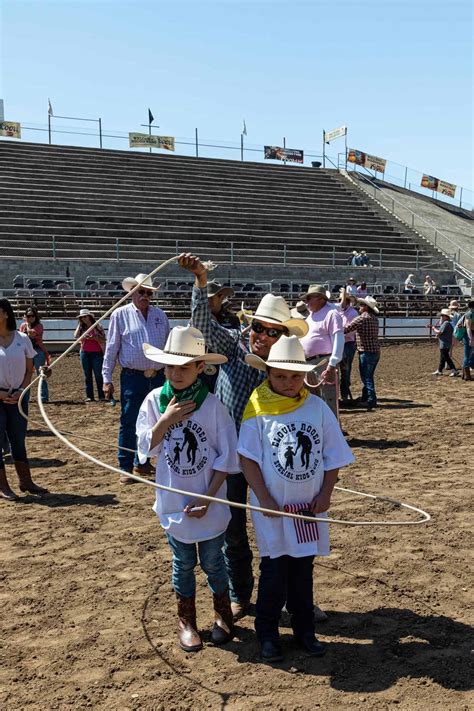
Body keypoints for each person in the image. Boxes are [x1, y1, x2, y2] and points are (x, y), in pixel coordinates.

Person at [178, 252, 308, 621]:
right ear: (249, 328)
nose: (262, 336)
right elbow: (201, 323)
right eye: (259, 328)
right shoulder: (233, 346)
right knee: (233, 532)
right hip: (230, 457)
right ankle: (240, 594)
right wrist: (202, 282)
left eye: (272, 332)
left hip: (274, 459)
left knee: (282, 525)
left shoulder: (287, 366)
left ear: (282, 336)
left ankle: (291, 596)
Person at [237, 335, 354, 662]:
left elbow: (334, 456)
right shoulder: (257, 407)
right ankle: (268, 634)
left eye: (294, 375)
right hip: (272, 509)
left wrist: (326, 493)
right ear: (268, 373)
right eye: (280, 375)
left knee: (303, 572)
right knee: (274, 573)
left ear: (305, 375)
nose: (288, 383)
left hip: (308, 509)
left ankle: (305, 631)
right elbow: (247, 458)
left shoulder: (317, 408)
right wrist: (263, 498)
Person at [136, 326, 240, 652]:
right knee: (182, 563)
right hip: (174, 500)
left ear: (200, 368)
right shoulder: (155, 401)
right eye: (170, 366)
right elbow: (145, 449)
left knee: (213, 561)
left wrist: (209, 496)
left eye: (184, 367)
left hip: (208, 500)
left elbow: (227, 456)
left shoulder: (212, 406)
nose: (176, 373)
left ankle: (223, 614)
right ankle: (187, 621)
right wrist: (165, 420)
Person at [102, 273, 170, 484]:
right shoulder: (120, 315)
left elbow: (167, 347)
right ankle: (125, 465)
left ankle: (143, 463)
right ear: (132, 292)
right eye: (141, 291)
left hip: (158, 376)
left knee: (157, 421)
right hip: (133, 377)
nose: (145, 296)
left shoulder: (161, 315)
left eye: (148, 293)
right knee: (129, 421)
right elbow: (112, 348)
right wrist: (106, 377)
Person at [0, 299, 48, 500]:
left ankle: (25, 481)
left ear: (4, 314)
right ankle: (3, 487)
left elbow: (30, 370)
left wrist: (21, 390)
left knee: (18, 440)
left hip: (19, 396)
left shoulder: (22, 338)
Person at [299, 285, 344, 418]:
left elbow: (338, 339)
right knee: (312, 401)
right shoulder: (310, 317)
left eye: (309, 298)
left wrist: (332, 364)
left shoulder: (331, 314)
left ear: (320, 299)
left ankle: (332, 434)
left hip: (323, 362)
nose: (306, 302)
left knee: (328, 400)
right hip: (309, 364)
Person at [343, 296, 381, 410]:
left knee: (366, 377)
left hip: (366, 351)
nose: (359, 307)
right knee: (369, 376)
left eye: (361, 305)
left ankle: (370, 400)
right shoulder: (374, 318)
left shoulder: (362, 319)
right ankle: (366, 398)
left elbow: (346, 329)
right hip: (375, 350)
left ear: (366, 307)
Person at [19, 306, 50, 404]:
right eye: (28, 316)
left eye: (32, 316)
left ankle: (43, 396)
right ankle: (25, 396)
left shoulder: (38, 326)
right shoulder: (23, 325)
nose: (30, 317)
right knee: (25, 374)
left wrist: (27, 324)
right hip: (26, 352)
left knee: (40, 374)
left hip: (37, 351)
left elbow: (31, 334)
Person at [74, 309, 106, 402]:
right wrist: (79, 325)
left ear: (89, 317)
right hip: (85, 352)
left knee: (98, 375)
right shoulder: (81, 328)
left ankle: (101, 395)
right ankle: (90, 396)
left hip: (97, 353)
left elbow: (103, 339)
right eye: (81, 318)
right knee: (87, 375)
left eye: (85, 317)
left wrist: (95, 338)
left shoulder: (98, 326)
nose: (83, 319)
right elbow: (76, 336)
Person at [338, 289, 359, 403]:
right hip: (339, 342)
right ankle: (339, 393)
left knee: (346, 369)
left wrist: (338, 332)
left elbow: (352, 331)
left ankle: (344, 393)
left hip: (347, 343)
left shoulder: (353, 313)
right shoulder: (338, 311)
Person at [429, 309, 459, 377]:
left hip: (444, 343)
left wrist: (433, 328)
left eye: (442, 315)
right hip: (446, 343)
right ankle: (439, 370)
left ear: (446, 316)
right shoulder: (448, 323)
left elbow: (439, 332)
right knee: (443, 357)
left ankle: (454, 370)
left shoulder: (445, 323)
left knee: (446, 357)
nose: (441, 317)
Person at [460, 299, 474, 381]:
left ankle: (465, 373)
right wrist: (471, 338)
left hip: (471, 334)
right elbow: (468, 327)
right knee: (468, 354)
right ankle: (466, 374)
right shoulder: (469, 314)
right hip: (469, 335)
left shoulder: (470, 314)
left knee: (469, 354)